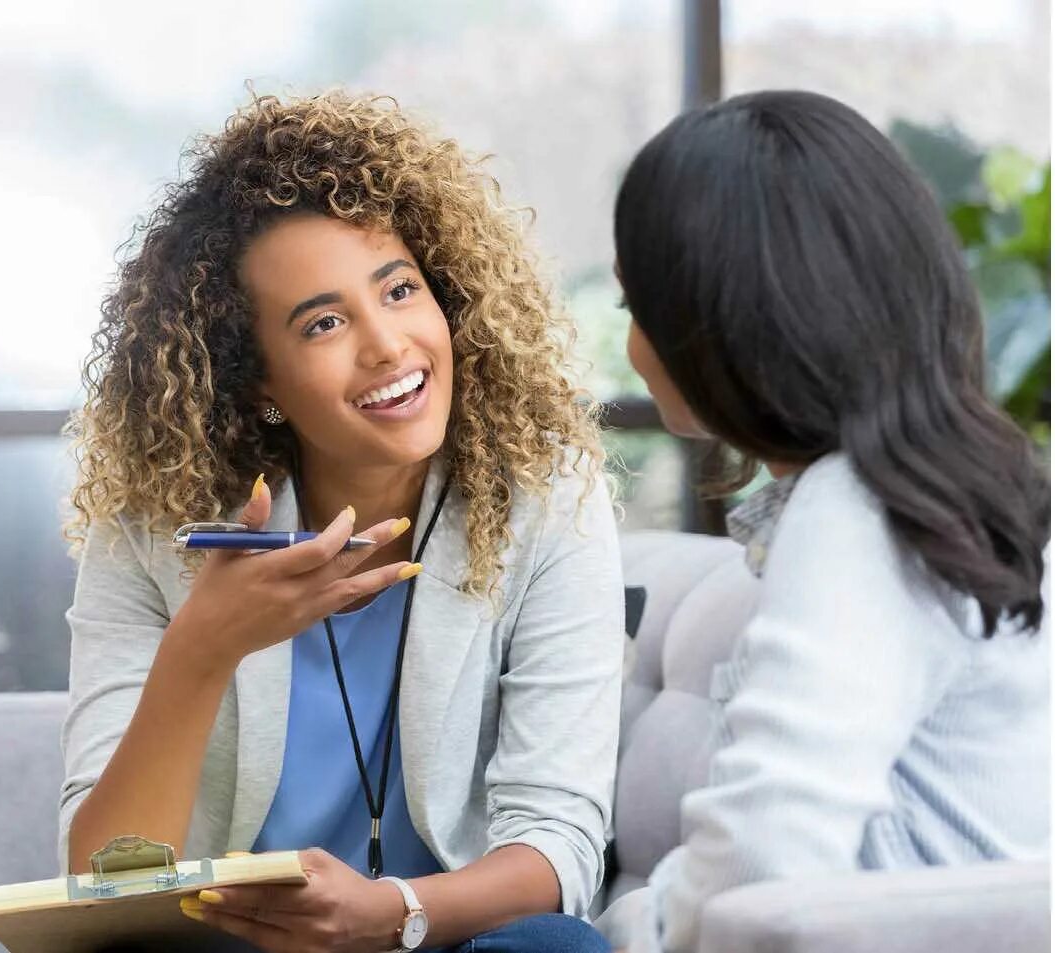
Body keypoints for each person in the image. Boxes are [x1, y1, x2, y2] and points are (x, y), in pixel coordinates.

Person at [58, 91, 624, 953]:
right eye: (323, 322)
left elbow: (560, 843)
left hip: (441, 936)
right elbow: (101, 888)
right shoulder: (153, 530)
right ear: (259, 385)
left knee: (559, 948)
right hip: (237, 945)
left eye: (399, 290)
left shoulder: (546, 500)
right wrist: (201, 648)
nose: (389, 344)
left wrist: (393, 909)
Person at [597, 89, 1050, 953]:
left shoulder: (855, 515)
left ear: (721, 325)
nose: (634, 346)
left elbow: (760, 867)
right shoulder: (933, 491)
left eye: (635, 309)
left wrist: (620, 924)